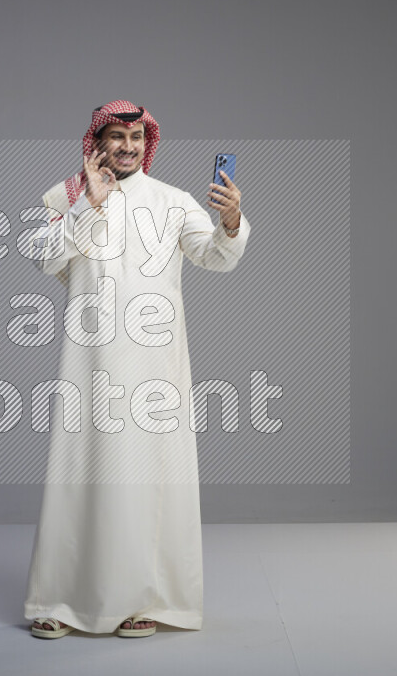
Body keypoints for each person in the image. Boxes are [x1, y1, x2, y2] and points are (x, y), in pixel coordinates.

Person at [23, 100, 251, 638]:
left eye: (134, 136)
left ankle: (141, 600)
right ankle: (58, 601)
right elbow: (40, 254)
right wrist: (88, 208)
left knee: (147, 481)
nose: (125, 145)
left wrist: (232, 219)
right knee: (81, 476)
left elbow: (216, 256)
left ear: (145, 142)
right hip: (89, 362)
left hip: (155, 368)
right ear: (96, 142)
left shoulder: (173, 201)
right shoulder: (68, 195)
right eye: (116, 136)